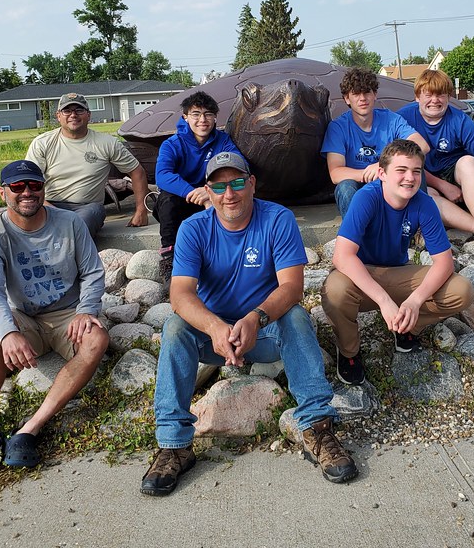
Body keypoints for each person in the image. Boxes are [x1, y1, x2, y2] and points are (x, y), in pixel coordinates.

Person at [142, 151, 357, 496]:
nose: (230, 193)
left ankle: (317, 427)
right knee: (175, 327)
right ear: (208, 191)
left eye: (238, 183)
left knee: (297, 317)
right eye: (220, 186)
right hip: (215, 338)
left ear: (252, 184)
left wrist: (255, 318)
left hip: (264, 330)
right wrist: (214, 328)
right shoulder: (193, 228)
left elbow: (292, 286)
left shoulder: (278, 219)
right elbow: (180, 294)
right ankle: (174, 445)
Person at [0, 160, 109, 476]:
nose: (27, 192)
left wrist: (86, 309)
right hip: (24, 316)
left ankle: (30, 428)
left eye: (34, 185)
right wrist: (8, 333)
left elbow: (93, 272)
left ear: (43, 189)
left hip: (67, 315)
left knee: (97, 338)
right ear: (3, 193)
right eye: (17, 187)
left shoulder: (71, 223)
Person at [322, 139, 474, 385]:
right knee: (335, 290)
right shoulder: (366, 198)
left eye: (416, 171)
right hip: (360, 277)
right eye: (401, 170)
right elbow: (342, 256)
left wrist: (414, 301)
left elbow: (444, 263)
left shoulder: (423, 202)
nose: (409, 178)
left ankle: (406, 328)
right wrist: (383, 301)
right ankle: (349, 351)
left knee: (461, 290)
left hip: (397, 273)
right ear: (382, 173)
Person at [396, 69, 474, 272]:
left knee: (468, 162)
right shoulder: (403, 119)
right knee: (420, 190)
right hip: (429, 181)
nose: (435, 100)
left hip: (460, 177)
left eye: (441, 94)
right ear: (417, 97)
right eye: (428, 94)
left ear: (449, 97)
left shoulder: (459, 120)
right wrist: (442, 185)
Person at [25, 92, 149, 238]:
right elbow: (29, 180)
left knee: (81, 223)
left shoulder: (107, 143)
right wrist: (47, 208)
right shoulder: (42, 143)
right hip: (49, 204)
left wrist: (141, 210)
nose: (73, 115)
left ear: (88, 115)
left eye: (79, 110)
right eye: (67, 111)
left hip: (88, 207)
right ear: (58, 115)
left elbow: (137, 172)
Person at [152, 91, 242, 274]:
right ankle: (169, 257)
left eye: (208, 114)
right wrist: (193, 193)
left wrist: (208, 191)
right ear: (185, 117)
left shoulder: (223, 141)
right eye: (196, 114)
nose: (203, 119)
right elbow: (162, 175)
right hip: (182, 202)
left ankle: (228, 252)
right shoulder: (172, 144)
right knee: (167, 199)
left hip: (210, 199)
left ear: (215, 117)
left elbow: (238, 165)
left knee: (233, 191)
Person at [320, 67, 430, 215]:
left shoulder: (391, 119)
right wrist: (368, 174)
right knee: (344, 187)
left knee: (415, 172)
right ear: (347, 98)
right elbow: (336, 173)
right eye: (356, 94)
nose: (362, 98)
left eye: (367, 92)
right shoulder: (338, 127)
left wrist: (381, 167)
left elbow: (422, 145)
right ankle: (359, 235)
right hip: (359, 184)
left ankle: (416, 228)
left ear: (375, 95)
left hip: (389, 180)